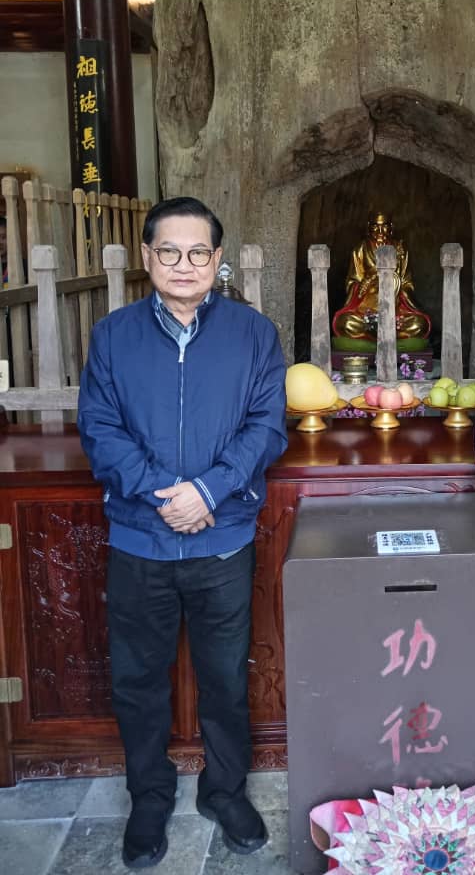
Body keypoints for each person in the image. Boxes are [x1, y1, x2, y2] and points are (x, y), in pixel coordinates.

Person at [78, 196, 287, 869]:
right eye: (169, 251)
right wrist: (161, 492)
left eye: (198, 252)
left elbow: (266, 427)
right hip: (140, 539)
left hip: (221, 539)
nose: (184, 264)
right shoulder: (113, 335)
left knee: (225, 678)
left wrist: (208, 491)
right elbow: (99, 428)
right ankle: (149, 796)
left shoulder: (253, 334)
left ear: (217, 260)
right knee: (138, 680)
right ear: (147, 257)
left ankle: (225, 791)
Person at [332, 212, 430, 341]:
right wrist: (368, 282)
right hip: (366, 310)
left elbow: (407, 283)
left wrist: (395, 289)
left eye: (384, 226)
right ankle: (381, 331)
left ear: (391, 227)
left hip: (396, 310)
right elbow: (352, 282)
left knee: (420, 324)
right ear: (368, 227)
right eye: (375, 226)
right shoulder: (360, 249)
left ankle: (378, 332)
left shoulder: (400, 249)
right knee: (345, 323)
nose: (380, 231)